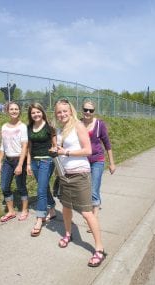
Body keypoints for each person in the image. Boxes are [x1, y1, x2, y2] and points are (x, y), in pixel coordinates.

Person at [54, 98, 107, 267]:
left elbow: (88, 150)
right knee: (66, 207)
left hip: (80, 175)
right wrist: (56, 151)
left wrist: (66, 152)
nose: (62, 114)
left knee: (86, 212)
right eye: (59, 112)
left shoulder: (78, 126)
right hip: (65, 175)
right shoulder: (59, 129)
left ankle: (99, 249)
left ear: (71, 112)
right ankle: (68, 234)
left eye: (65, 111)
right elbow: (59, 150)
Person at [81, 99, 116, 231]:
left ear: (94, 111)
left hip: (97, 160)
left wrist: (112, 163)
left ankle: (94, 219)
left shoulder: (99, 124)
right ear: (82, 110)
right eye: (85, 109)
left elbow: (107, 144)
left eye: (91, 110)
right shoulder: (78, 124)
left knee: (94, 189)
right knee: (86, 188)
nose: (88, 112)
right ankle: (91, 210)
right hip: (83, 161)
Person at [27, 103, 57, 237]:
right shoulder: (29, 128)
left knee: (40, 190)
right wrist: (28, 164)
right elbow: (29, 147)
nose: (36, 115)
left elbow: (55, 146)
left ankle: (40, 218)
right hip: (34, 161)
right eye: (33, 113)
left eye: (38, 112)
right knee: (44, 188)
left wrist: (54, 149)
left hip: (47, 160)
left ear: (42, 112)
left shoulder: (49, 127)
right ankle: (53, 209)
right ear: (30, 115)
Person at [0, 101, 29, 222]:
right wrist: (0, 161)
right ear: (7, 111)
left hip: (19, 160)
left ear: (19, 111)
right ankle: (11, 211)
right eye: (11, 109)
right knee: (4, 186)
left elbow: (25, 146)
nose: (14, 111)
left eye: (16, 109)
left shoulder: (22, 127)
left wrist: (20, 164)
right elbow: (2, 145)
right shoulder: (4, 126)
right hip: (7, 161)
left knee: (21, 186)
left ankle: (25, 210)